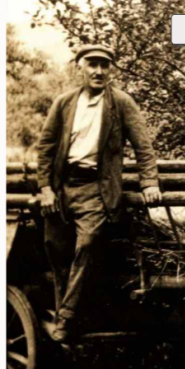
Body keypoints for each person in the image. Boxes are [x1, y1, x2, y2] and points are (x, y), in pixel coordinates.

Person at [35, 45, 162, 341]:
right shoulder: (64, 102)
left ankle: (66, 319)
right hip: (62, 187)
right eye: (92, 64)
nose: (99, 71)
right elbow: (46, 147)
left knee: (87, 244)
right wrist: (46, 188)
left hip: (97, 188)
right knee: (55, 249)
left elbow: (143, 147)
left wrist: (150, 183)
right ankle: (64, 311)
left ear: (110, 70)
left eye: (104, 66)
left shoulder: (121, 103)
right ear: (79, 66)